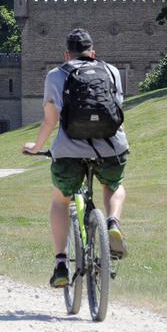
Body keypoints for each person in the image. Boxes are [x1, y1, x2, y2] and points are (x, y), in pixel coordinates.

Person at [21, 28, 129, 289]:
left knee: (60, 200)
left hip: (69, 152)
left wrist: (36, 146)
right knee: (114, 186)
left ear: (66, 54)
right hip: (111, 148)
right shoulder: (111, 71)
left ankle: (60, 264)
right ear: (93, 53)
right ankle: (112, 222)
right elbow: (116, 111)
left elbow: (51, 119)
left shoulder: (57, 75)